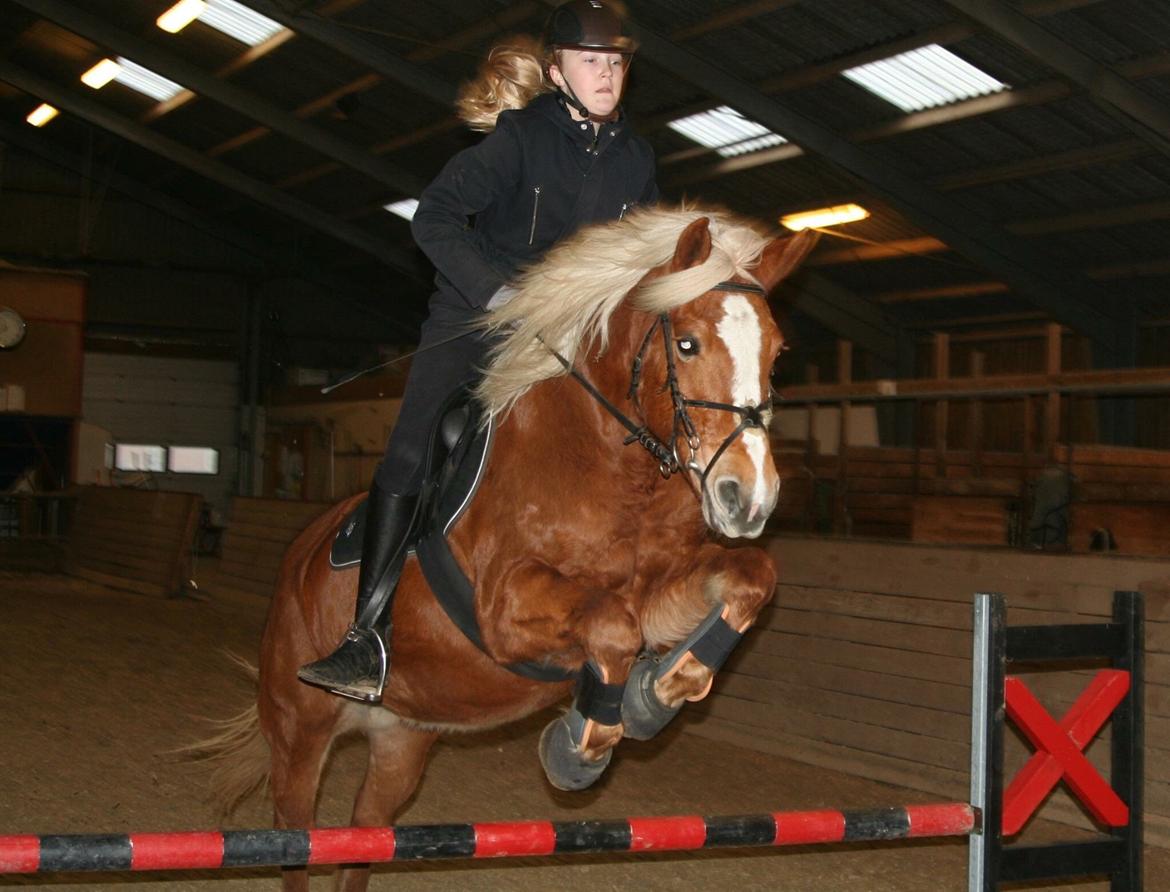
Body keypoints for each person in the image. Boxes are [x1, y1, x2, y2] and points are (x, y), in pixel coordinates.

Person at [298, 0, 659, 702]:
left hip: (572, 340)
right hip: (477, 320)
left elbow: (644, 258)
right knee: (412, 446)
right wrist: (497, 295)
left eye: (615, 63)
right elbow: (434, 217)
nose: (607, 75)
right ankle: (364, 636)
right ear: (557, 71)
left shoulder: (637, 160)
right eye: (591, 61)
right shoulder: (518, 140)